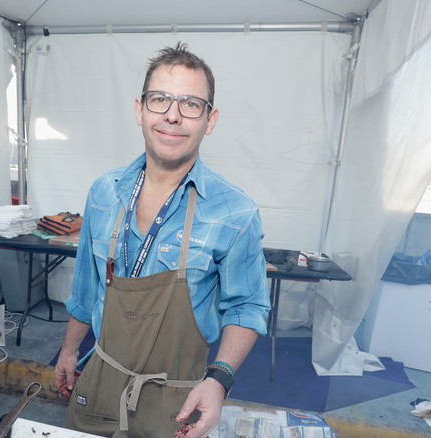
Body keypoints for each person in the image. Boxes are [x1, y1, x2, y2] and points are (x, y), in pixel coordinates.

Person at [54, 43, 270, 438]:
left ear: (210, 119)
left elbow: (247, 307)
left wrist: (218, 380)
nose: (172, 114)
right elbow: (86, 287)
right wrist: (69, 350)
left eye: (190, 104)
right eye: (160, 100)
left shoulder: (235, 213)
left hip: (177, 401)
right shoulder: (105, 192)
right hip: (100, 379)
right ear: (140, 109)